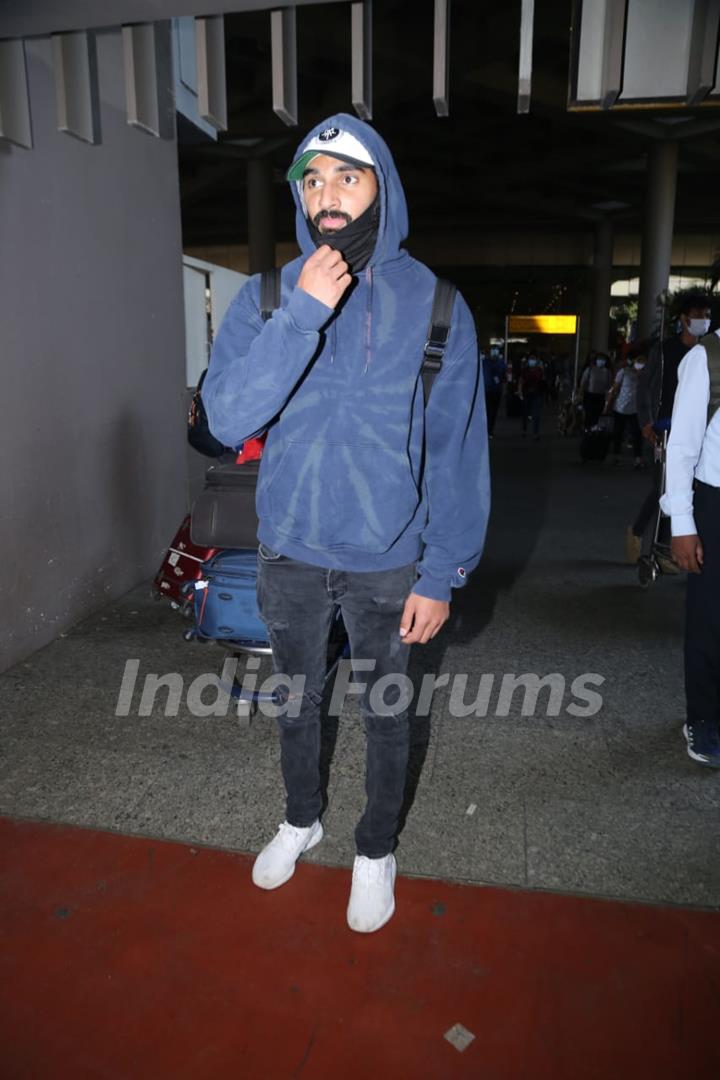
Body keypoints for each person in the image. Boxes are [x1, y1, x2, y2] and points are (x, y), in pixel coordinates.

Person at [202, 115, 489, 932]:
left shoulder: (437, 305)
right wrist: (300, 315)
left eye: (347, 177)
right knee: (296, 702)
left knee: (387, 710)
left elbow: (457, 449)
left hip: (389, 559)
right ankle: (303, 817)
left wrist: (442, 572)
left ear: (381, 188)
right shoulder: (266, 297)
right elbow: (224, 417)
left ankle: (375, 847)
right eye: (312, 179)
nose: (327, 197)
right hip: (289, 549)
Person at [660, 323, 720, 767]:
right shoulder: (708, 357)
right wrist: (682, 522)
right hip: (715, 501)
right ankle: (702, 718)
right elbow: (680, 445)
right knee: (710, 619)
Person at [626, 292, 713, 564]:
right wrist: (646, 422)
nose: (704, 321)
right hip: (664, 426)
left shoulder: (709, 352)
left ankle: (672, 547)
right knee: (665, 486)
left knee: (690, 487)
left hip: (699, 431)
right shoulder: (664, 351)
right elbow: (644, 388)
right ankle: (640, 533)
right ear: (684, 319)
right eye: (698, 315)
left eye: (707, 316)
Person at [606, 355, 644, 467]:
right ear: (633, 362)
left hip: (636, 409)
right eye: (639, 361)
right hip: (620, 407)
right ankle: (616, 456)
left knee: (636, 434)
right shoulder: (623, 372)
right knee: (618, 432)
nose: (641, 364)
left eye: (643, 362)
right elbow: (615, 387)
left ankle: (638, 458)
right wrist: (608, 403)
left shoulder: (645, 375)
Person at [579, 352, 613, 428]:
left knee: (597, 417)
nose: (601, 361)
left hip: (601, 397)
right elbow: (583, 383)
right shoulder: (590, 370)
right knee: (589, 416)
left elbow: (609, 387)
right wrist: (580, 395)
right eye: (599, 359)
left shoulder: (607, 372)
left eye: (603, 359)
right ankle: (587, 432)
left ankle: (595, 433)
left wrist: (608, 400)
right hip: (590, 396)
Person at [519, 352, 546, 439]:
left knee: (536, 414)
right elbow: (521, 380)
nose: (532, 361)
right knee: (525, 413)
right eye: (531, 359)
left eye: (534, 359)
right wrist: (520, 391)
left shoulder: (539, 370)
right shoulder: (525, 370)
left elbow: (543, 381)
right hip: (526, 393)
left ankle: (535, 433)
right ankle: (524, 430)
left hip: (537, 394)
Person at [483, 345, 506, 437]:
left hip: (497, 390)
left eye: (496, 350)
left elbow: (504, 377)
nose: (494, 352)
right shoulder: (484, 362)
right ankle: (487, 430)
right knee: (487, 411)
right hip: (487, 390)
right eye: (493, 350)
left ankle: (490, 430)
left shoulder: (501, 363)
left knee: (493, 412)